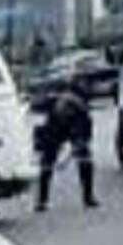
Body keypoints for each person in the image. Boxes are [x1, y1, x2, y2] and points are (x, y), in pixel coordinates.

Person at [32, 79, 98, 212]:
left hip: (66, 126)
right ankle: (88, 197)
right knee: (81, 161)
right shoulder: (76, 104)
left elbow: (86, 126)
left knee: (51, 163)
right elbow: (87, 128)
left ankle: (42, 201)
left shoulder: (71, 104)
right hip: (58, 127)